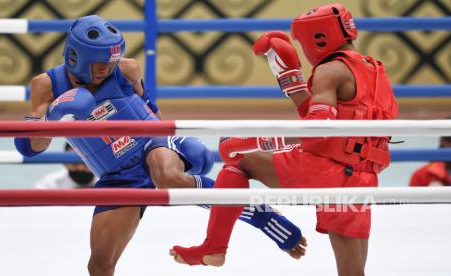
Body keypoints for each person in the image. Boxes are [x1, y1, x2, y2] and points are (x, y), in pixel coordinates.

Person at [13, 15, 304, 276]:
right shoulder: (47, 86)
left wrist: (176, 144)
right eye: (99, 65)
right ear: (76, 57)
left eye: (110, 64)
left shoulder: (126, 69)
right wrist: (53, 115)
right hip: (118, 176)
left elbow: (153, 111)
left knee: (167, 177)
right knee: (100, 264)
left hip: (152, 145)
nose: (105, 71)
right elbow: (29, 148)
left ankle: (262, 215)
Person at [170, 4, 399, 276]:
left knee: (241, 160)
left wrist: (256, 141)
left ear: (319, 38)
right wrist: (290, 80)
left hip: (328, 170)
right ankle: (213, 248)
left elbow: (317, 129)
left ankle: (214, 246)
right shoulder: (374, 69)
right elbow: (326, 122)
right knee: (352, 271)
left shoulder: (330, 71)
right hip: (362, 174)